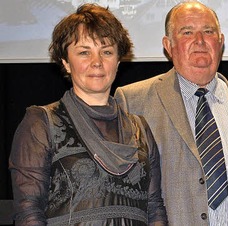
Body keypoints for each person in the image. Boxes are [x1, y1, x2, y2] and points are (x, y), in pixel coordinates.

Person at [114, 1, 228, 225]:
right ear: (168, 45)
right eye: (187, 32)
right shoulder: (133, 103)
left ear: (221, 41)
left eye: (208, 31)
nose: (199, 41)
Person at [9, 4, 167, 225]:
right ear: (65, 61)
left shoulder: (140, 129)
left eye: (107, 51)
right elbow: (28, 212)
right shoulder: (41, 124)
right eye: (84, 52)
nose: (97, 62)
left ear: (118, 60)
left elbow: (154, 208)